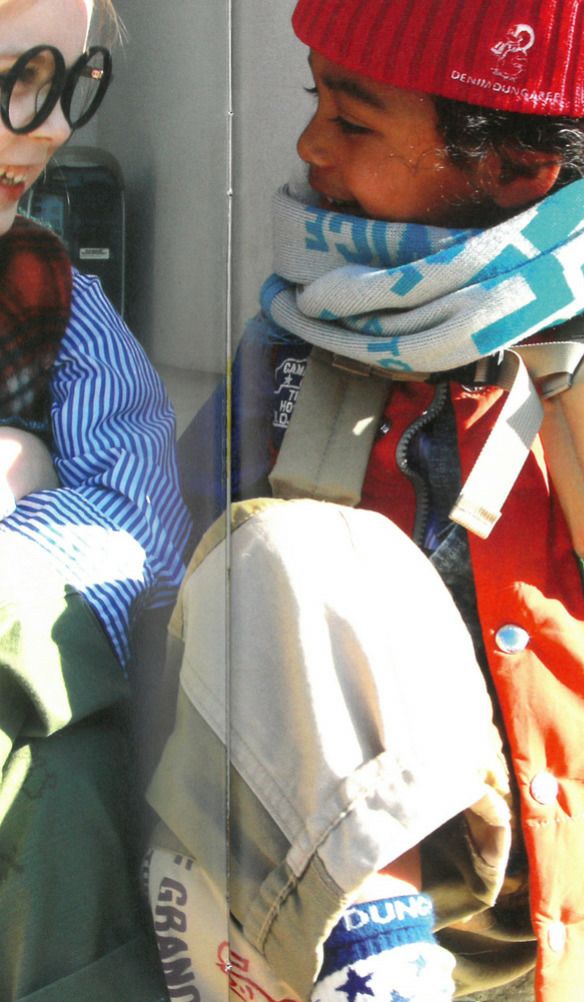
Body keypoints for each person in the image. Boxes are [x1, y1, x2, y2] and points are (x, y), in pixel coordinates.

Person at [144, 1, 584, 1000]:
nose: (310, 143)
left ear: (519, 165)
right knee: (284, 556)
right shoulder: (306, 326)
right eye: (314, 98)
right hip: (318, 893)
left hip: (559, 895)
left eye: (351, 119)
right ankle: (379, 964)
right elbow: (183, 576)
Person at [0, 0, 191, 997]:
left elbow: (140, 526)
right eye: (15, 79)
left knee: (71, 772)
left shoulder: (52, 295)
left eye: (69, 85)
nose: (52, 127)